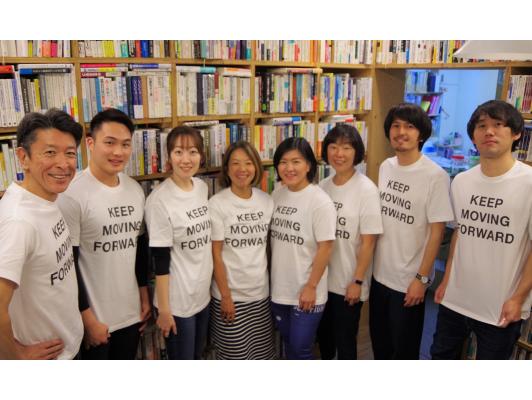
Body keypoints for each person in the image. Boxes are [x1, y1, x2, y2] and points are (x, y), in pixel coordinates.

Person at [431, 100, 532, 360]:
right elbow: (460, 234)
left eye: (498, 125)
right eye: (482, 126)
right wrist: (447, 280)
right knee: (440, 357)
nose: (489, 132)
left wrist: (518, 298)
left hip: (500, 306)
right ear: (473, 135)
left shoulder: (528, 183)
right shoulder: (462, 181)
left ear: (516, 133)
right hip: (456, 299)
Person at [57, 108, 150, 360]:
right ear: (90, 144)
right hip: (95, 320)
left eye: (125, 144)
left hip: (131, 314)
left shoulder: (134, 190)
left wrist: (144, 296)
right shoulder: (72, 193)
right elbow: (68, 264)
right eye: (109, 143)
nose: (118, 152)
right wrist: (87, 319)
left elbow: (139, 249)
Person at [370, 103, 454, 360]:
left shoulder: (435, 176)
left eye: (409, 126)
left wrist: (421, 279)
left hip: (408, 281)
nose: (401, 132)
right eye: (395, 126)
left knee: (404, 352)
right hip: (379, 275)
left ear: (421, 134)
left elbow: (437, 233)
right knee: (380, 347)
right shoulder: (386, 166)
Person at [0, 110, 83, 359]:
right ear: (23, 157)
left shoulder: (46, 198)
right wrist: (17, 357)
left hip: (68, 345)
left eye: (70, 153)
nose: (63, 164)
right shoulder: (19, 221)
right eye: (50, 152)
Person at [144, 126, 212, 360]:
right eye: (178, 152)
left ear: (201, 156)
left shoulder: (201, 187)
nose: (186, 159)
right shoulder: (159, 200)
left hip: (202, 295)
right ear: (169, 156)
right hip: (177, 304)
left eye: (193, 152)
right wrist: (164, 310)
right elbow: (160, 260)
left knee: (197, 356)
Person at [316, 124, 383, 360]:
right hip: (322, 281)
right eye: (333, 147)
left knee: (345, 343)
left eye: (346, 148)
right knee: (324, 340)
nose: (339, 153)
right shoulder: (322, 187)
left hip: (348, 283)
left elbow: (369, 242)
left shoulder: (366, 190)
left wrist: (357, 281)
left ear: (357, 152)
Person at [270, 136, 336, 360]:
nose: (289, 168)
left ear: (308, 165)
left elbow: (326, 248)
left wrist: (311, 286)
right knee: (289, 345)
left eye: (296, 161)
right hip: (280, 289)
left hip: (307, 291)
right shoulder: (277, 194)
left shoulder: (320, 201)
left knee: (301, 350)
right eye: (283, 162)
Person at [209, 141, 275, 359]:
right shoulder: (217, 204)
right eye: (235, 163)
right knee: (234, 357)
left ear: (256, 166)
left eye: (248, 163)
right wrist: (226, 296)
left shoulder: (266, 201)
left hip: (261, 294)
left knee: (262, 356)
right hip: (230, 297)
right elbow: (216, 254)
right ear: (227, 168)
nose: (242, 169)